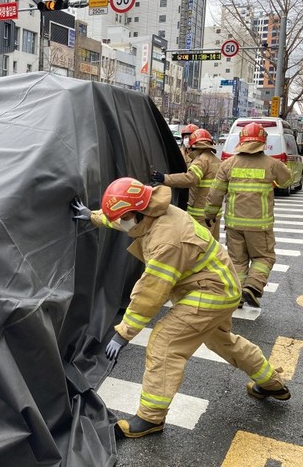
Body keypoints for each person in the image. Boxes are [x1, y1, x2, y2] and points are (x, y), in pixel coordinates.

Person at [71, 178, 290, 439]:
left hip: (210, 292)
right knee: (223, 343)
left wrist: (123, 333)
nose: (122, 222)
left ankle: (150, 418)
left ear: (140, 211)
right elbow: (121, 218)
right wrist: (93, 216)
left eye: (125, 216)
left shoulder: (167, 240)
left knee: (165, 343)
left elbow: (151, 291)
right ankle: (271, 384)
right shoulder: (151, 210)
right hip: (220, 287)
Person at [204, 123, 292, 308]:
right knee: (264, 258)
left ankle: (237, 296)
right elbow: (287, 181)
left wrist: (210, 213)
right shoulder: (271, 164)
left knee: (237, 261)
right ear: (263, 142)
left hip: (234, 225)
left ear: (241, 141)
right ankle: (252, 287)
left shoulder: (228, 164)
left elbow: (215, 192)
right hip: (260, 226)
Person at [151, 128, 222, 240]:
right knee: (213, 244)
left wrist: (165, 178)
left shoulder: (201, 160)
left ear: (195, 146)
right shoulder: (216, 161)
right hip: (214, 213)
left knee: (200, 244)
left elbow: (190, 179)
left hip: (200, 213)